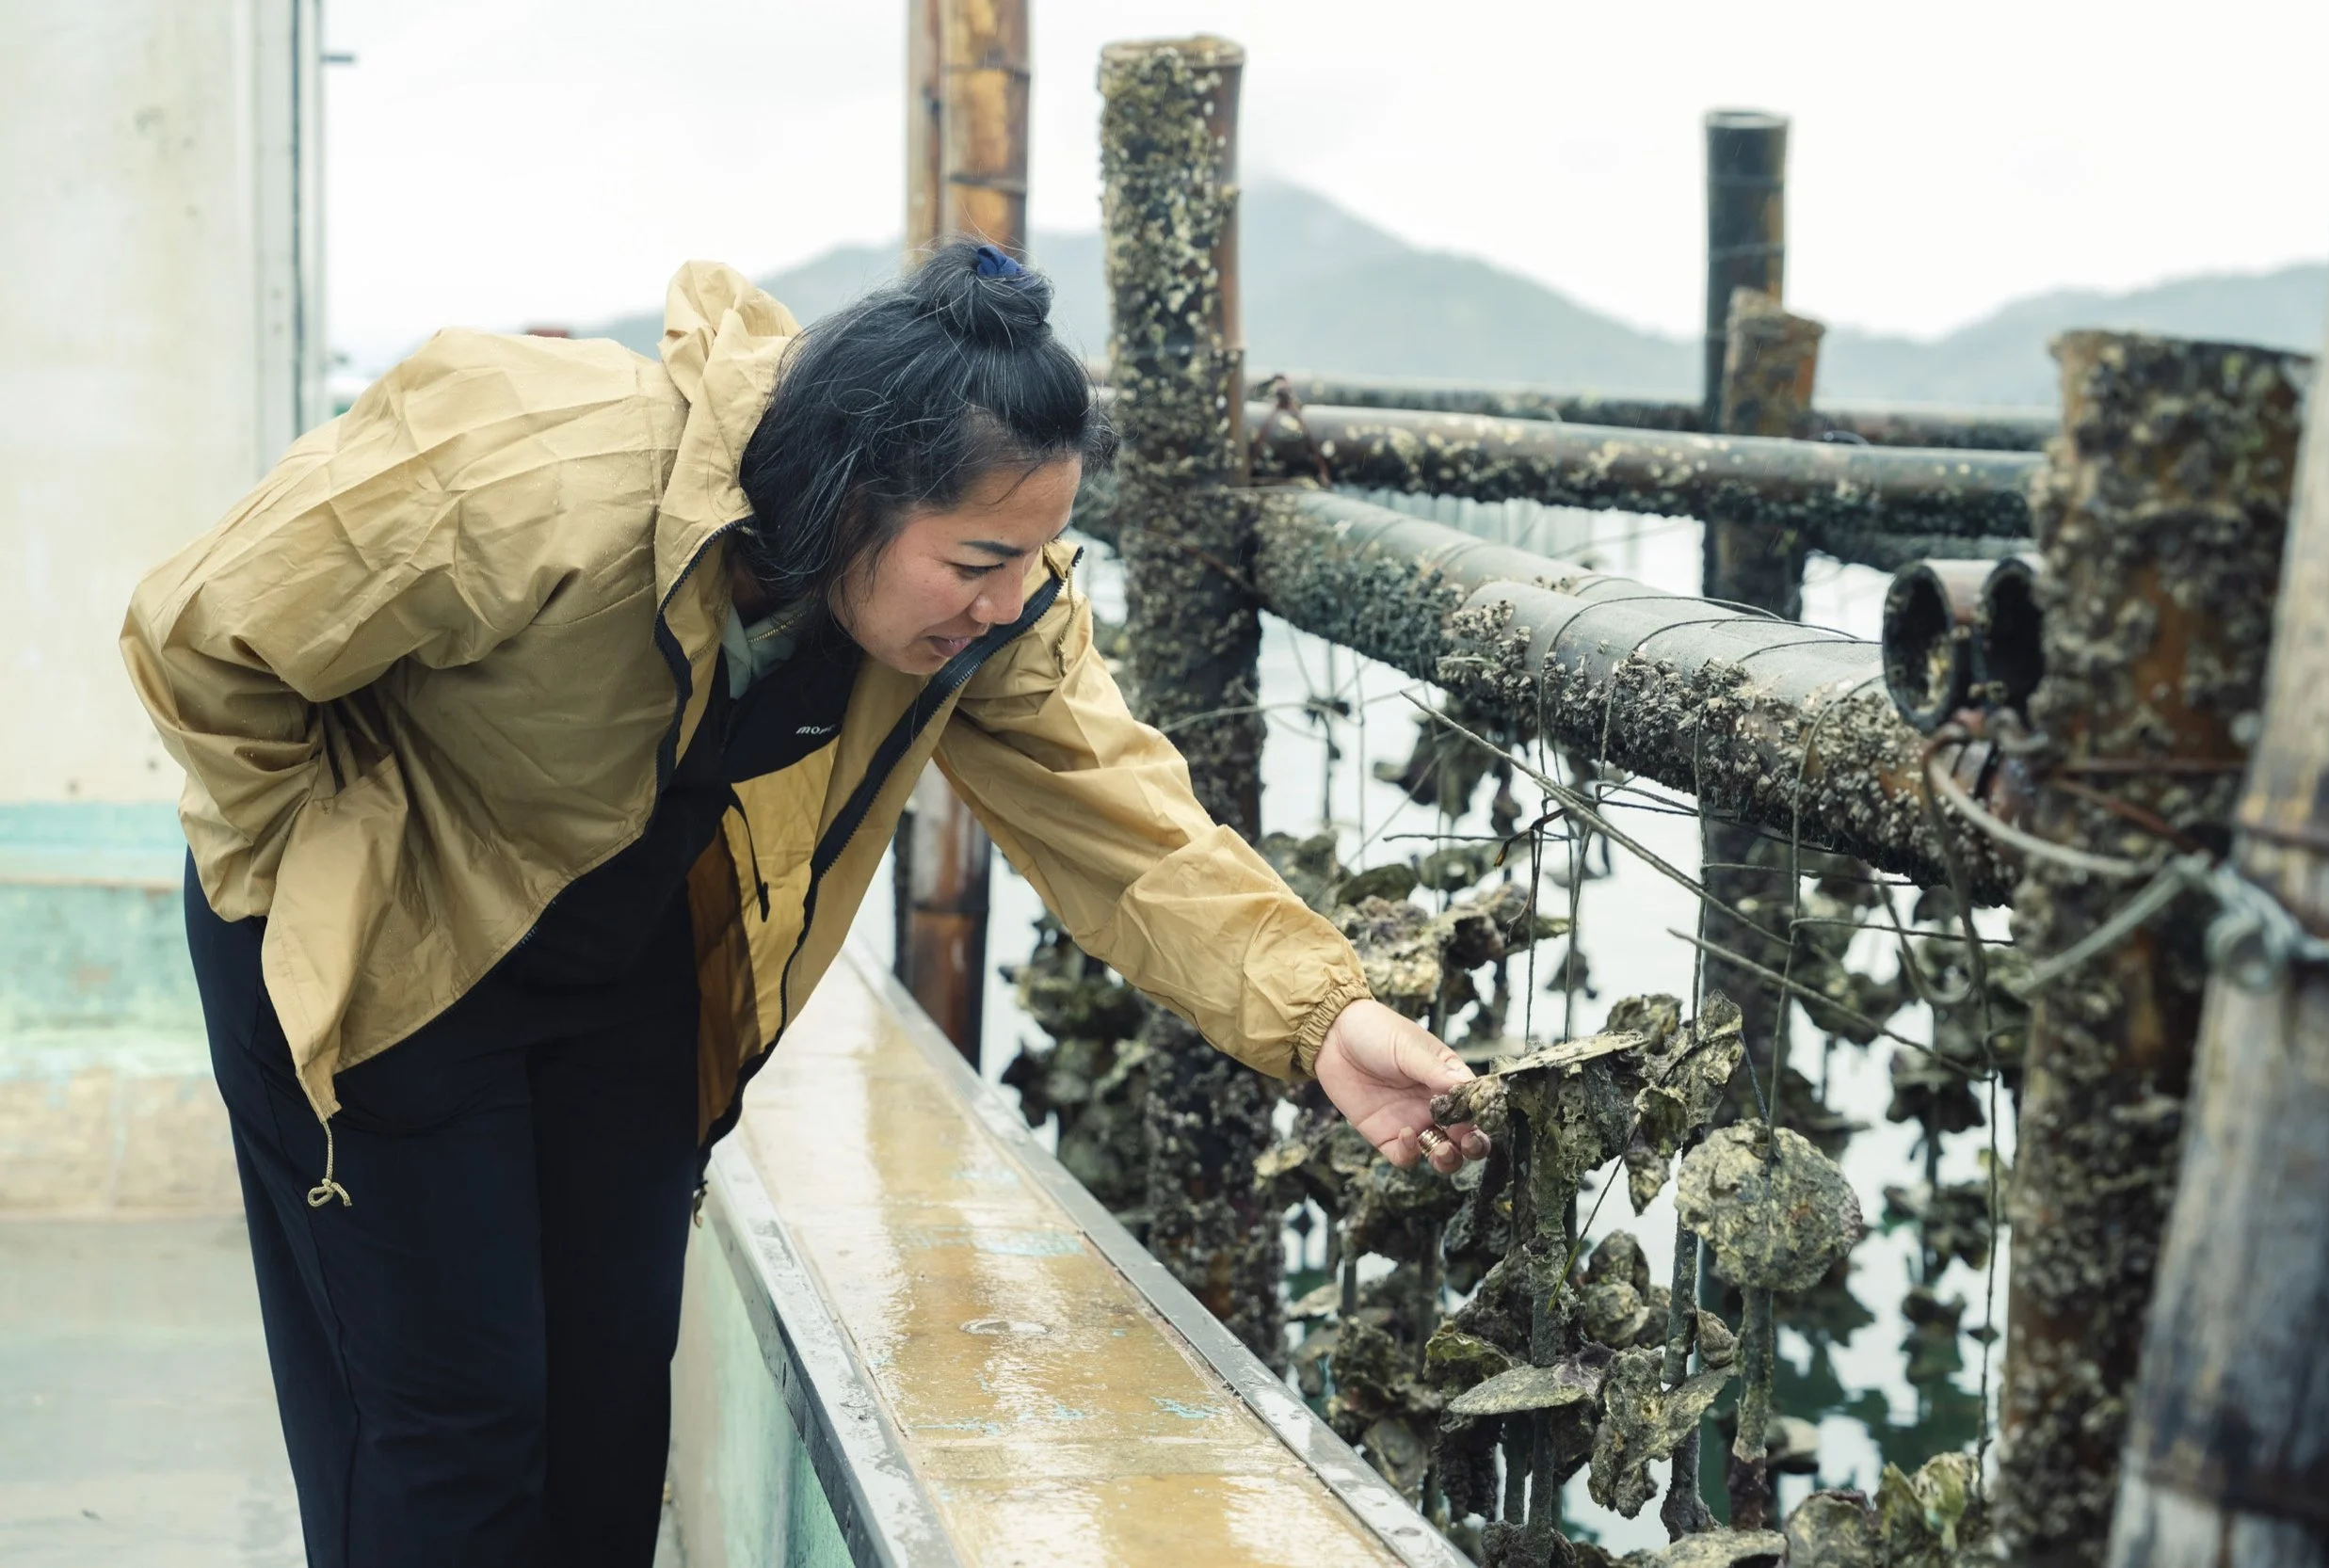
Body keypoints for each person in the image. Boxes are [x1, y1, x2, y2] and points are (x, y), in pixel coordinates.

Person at [121, 240, 1489, 1568]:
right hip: (385, 960)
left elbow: (1121, 817)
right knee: (447, 1430)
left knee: (605, 1421)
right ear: (848, 497)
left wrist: (1323, 1017)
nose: (1009, 599)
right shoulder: (539, 470)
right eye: (974, 560)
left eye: (1034, 555)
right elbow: (204, 636)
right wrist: (327, 868)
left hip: (621, 965)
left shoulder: (989, 612)